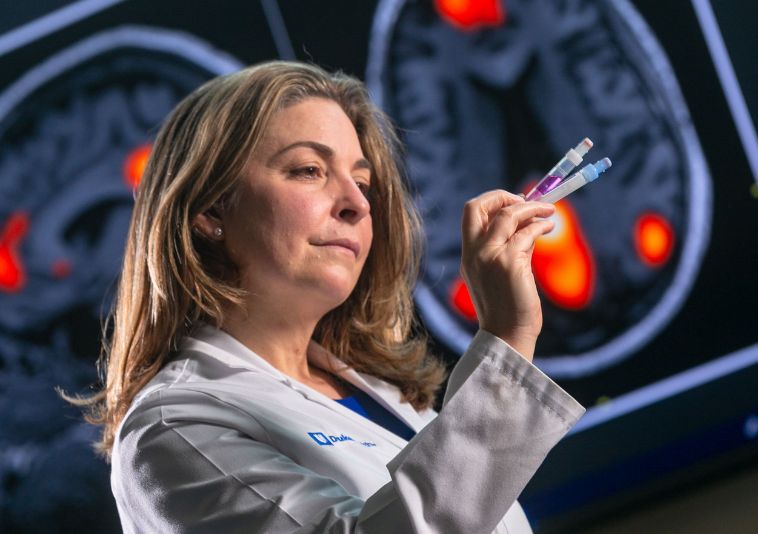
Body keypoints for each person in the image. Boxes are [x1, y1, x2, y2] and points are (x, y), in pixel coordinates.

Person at [71, 61, 584, 533]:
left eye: (361, 180)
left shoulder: (377, 391)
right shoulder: (173, 430)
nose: (358, 203)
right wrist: (506, 338)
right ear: (209, 210)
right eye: (308, 170)